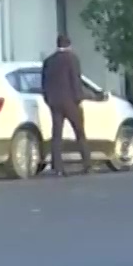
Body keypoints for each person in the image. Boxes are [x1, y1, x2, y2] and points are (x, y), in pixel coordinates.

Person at [41, 35, 92, 175]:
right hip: (70, 102)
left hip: (54, 102)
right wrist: (79, 99)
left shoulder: (49, 61)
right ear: (69, 45)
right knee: (79, 132)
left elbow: (44, 83)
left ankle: (57, 167)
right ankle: (87, 163)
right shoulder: (72, 59)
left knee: (56, 135)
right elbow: (75, 80)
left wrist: (48, 99)